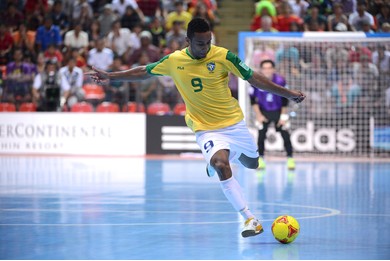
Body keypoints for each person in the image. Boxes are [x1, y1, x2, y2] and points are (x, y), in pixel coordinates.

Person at [86, 18, 305, 238]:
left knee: (252, 164)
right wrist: (111, 77)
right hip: (204, 128)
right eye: (200, 43)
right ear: (187, 41)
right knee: (221, 164)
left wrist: (288, 94)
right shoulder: (174, 60)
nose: (206, 47)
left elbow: (254, 79)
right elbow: (144, 71)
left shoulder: (223, 56)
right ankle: (249, 218)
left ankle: (222, 158)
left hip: (234, 124)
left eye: (208, 42)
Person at [250, 59, 296, 170]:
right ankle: (260, 159)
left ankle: (290, 159)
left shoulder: (280, 81)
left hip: (278, 111)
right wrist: (259, 115)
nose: (267, 70)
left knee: (285, 134)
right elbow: (252, 100)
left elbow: (286, 99)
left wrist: (283, 116)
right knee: (261, 135)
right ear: (261, 70)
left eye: (269, 68)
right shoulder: (255, 81)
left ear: (273, 69)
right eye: (264, 68)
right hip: (263, 111)